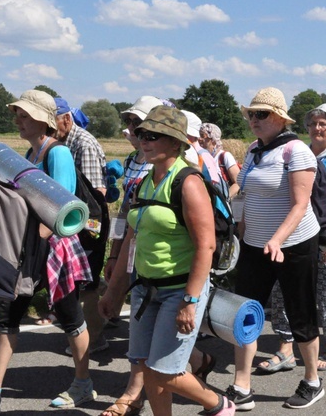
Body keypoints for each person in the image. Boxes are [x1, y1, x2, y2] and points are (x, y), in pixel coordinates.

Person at [98, 106, 234, 416]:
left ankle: (220, 405)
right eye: (141, 134)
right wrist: (114, 290)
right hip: (146, 291)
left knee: (164, 372)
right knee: (147, 368)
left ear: (175, 142)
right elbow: (132, 242)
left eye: (153, 136)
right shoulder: (146, 182)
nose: (143, 140)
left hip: (179, 290)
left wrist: (190, 300)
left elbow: (206, 246)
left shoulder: (188, 182)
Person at [0, 90, 96, 408]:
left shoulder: (57, 153)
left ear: (41, 120)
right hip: (29, 248)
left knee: (70, 317)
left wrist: (35, 233)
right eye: (18, 115)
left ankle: (82, 383)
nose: (18, 120)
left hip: (54, 250)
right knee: (9, 313)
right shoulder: (31, 154)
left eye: (24, 115)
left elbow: (64, 204)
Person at [227, 87, 324, 409]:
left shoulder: (296, 151)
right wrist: (238, 227)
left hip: (294, 244)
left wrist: (278, 239)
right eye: (251, 114)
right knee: (246, 314)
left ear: (280, 118)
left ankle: (312, 380)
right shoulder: (254, 149)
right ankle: (241, 385)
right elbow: (245, 192)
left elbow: (300, 204)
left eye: (261, 114)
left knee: (300, 313)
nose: (254, 119)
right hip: (255, 244)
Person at [261, 104, 326, 373]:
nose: (317, 128)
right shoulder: (297, 154)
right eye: (313, 123)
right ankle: (285, 348)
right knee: (282, 293)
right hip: (296, 238)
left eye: (324, 124)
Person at [54, 97, 111, 355]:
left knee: (85, 283)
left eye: (50, 121)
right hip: (75, 218)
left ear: (66, 118)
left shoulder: (83, 143)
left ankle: (96, 339)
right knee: (82, 278)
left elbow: (95, 193)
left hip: (90, 222)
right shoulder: (62, 142)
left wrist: (83, 229)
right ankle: (108, 297)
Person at [200, 122, 241, 197]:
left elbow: (238, 182)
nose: (199, 139)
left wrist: (225, 200)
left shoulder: (224, 156)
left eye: (203, 136)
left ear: (212, 139)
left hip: (220, 204)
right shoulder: (201, 157)